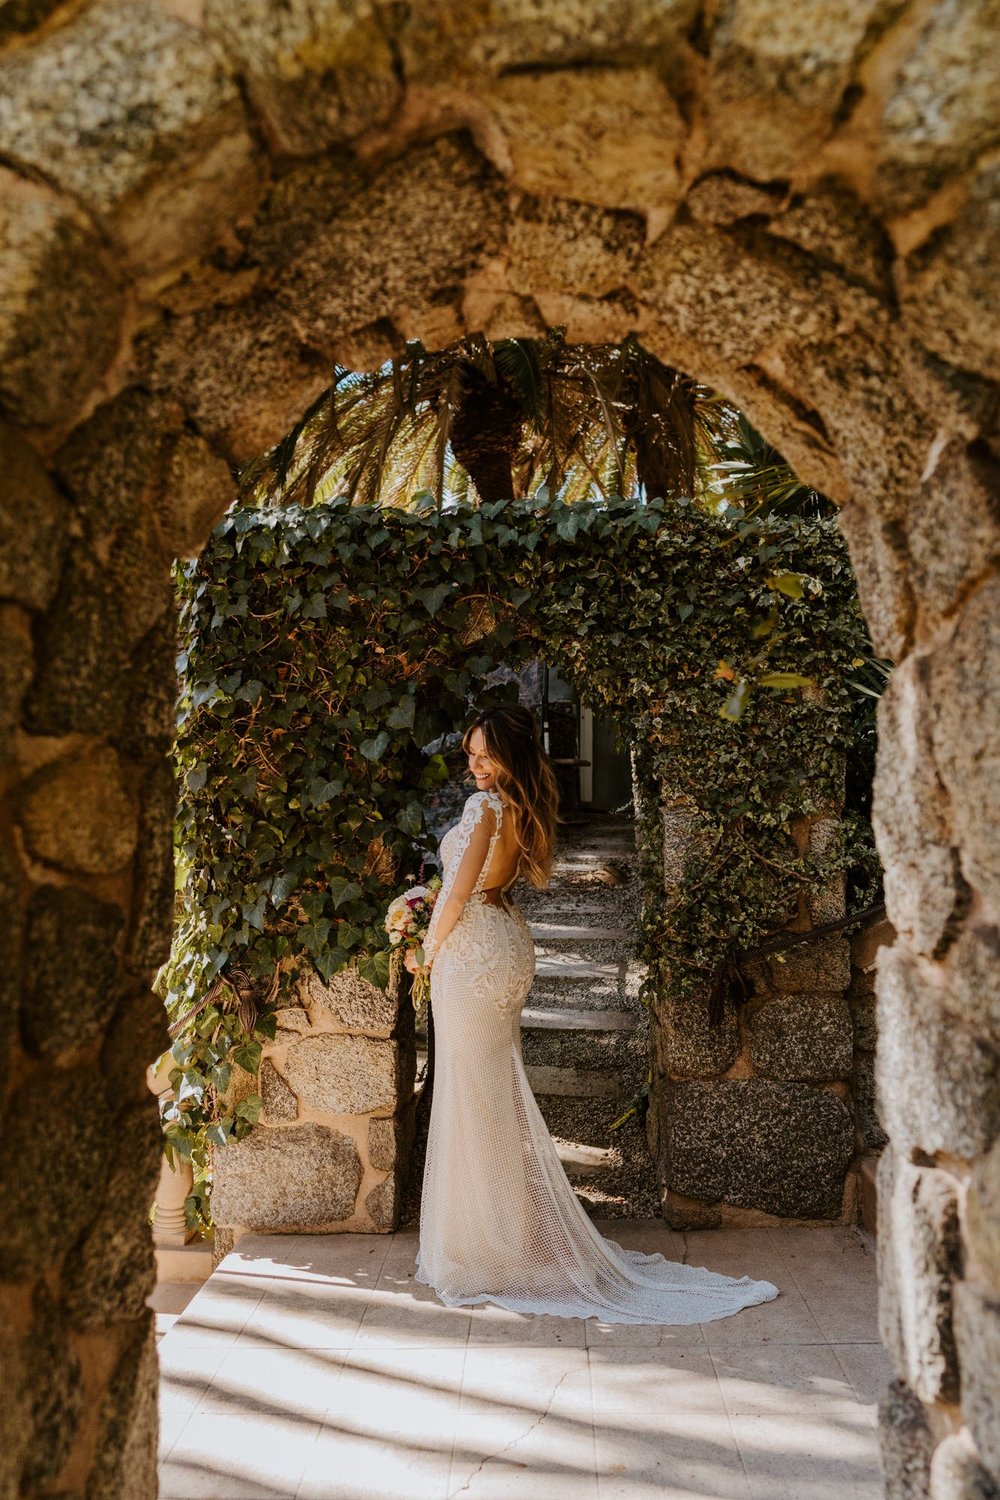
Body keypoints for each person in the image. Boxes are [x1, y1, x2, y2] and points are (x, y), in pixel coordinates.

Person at [404, 703, 778, 1324]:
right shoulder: (524, 808)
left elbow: (459, 890)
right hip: (506, 942)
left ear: (509, 757)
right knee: (491, 1092)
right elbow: (495, 886)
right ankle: (505, 1231)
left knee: (471, 1095)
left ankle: (483, 1245)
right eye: (470, 752)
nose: (474, 764)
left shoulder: (484, 808)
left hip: (470, 952)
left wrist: (424, 944)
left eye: (484, 754)